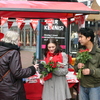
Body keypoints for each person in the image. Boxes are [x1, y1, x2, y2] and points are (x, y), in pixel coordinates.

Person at [0, 31, 39, 100]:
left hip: (3, 87)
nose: (20, 42)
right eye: (18, 39)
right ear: (13, 40)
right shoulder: (13, 52)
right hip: (11, 89)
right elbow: (18, 73)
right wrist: (32, 69)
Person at [74, 28, 100, 100]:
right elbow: (75, 67)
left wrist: (91, 71)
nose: (79, 39)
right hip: (82, 85)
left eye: (81, 37)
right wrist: (77, 66)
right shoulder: (80, 51)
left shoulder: (98, 53)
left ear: (88, 38)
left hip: (95, 87)